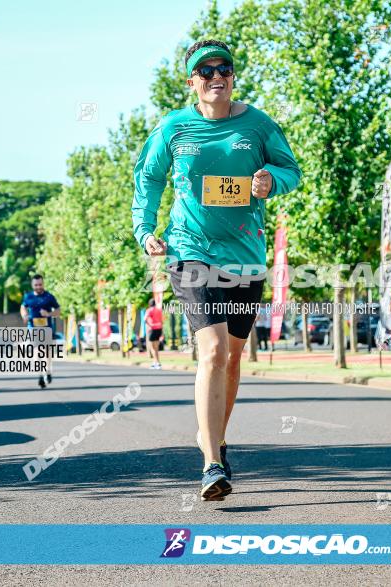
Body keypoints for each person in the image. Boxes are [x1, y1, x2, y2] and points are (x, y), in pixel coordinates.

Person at [132, 39, 301, 501]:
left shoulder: (259, 124)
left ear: (233, 75)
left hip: (245, 254)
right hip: (190, 251)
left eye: (223, 69)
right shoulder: (174, 128)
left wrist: (273, 180)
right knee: (211, 351)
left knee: (231, 356)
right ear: (192, 82)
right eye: (205, 72)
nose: (216, 77)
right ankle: (210, 464)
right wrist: (145, 229)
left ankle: (215, 438)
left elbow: (292, 170)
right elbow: (148, 177)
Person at [20, 274, 61, 389]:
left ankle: (47, 371)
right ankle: (40, 374)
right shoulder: (28, 296)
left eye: (40, 284)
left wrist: (49, 314)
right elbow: (23, 307)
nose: (38, 287)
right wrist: (24, 315)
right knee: (37, 351)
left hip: (46, 327)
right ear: (32, 285)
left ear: (43, 284)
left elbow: (58, 310)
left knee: (47, 352)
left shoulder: (49, 297)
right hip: (33, 327)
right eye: (36, 285)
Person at [145, 298, 164, 369]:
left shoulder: (149, 310)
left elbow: (145, 319)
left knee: (152, 347)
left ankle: (157, 363)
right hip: (159, 329)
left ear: (149, 304)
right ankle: (155, 362)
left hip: (152, 329)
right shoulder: (159, 310)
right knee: (156, 347)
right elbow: (162, 321)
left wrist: (149, 325)